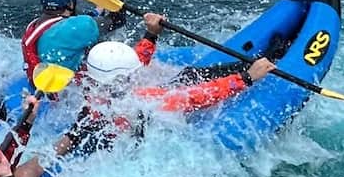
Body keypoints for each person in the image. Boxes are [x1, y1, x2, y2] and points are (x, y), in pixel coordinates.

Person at [56, 18, 277, 157]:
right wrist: (247, 78)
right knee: (191, 76)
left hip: (119, 139)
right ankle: (267, 59)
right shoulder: (145, 100)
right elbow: (199, 96)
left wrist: (150, 35)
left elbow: (130, 66)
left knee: (185, 76)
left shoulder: (92, 90)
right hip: (145, 144)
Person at [22, 0, 125, 83]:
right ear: (70, 4)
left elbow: (73, 26)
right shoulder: (79, 26)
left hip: (42, 81)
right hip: (68, 89)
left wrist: (97, 10)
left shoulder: (35, 25)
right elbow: (118, 19)